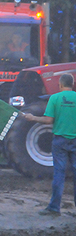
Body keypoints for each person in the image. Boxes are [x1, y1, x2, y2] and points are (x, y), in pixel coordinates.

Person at [24, 73, 76, 216]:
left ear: (60, 85)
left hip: (60, 141)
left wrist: (32, 117)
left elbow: (48, 120)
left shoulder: (55, 98)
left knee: (59, 174)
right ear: (72, 84)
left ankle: (54, 208)